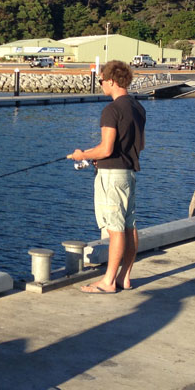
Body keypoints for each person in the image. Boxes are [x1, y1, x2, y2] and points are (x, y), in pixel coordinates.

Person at [67, 60, 146, 294]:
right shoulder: (137, 108)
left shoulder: (111, 110)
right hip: (129, 173)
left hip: (111, 176)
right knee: (129, 226)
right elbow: (133, 145)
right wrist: (96, 156)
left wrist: (82, 154)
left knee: (115, 228)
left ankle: (109, 282)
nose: (100, 84)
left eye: (101, 80)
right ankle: (125, 277)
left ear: (111, 81)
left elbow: (106, 149)